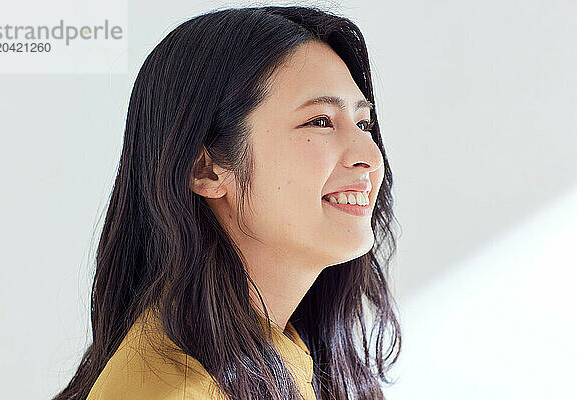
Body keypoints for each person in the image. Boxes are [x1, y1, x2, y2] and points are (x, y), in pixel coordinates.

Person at [52, 6, 401, 400]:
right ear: (208, 169)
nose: (370, 157)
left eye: (363, 124)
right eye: (320, 121)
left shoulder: (283, 353)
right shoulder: (179, 390)